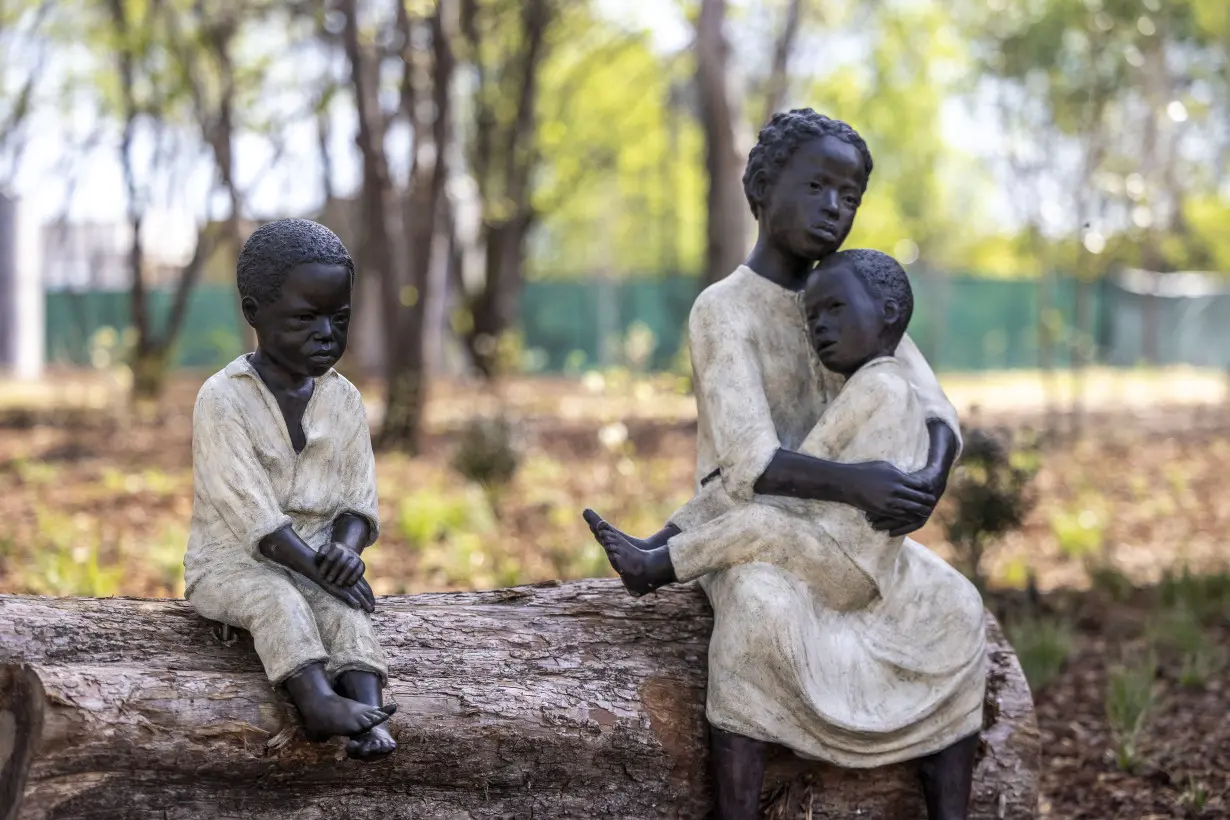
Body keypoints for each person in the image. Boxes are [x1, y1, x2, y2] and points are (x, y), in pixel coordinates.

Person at [582, 110, 976, 820]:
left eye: (849, 196)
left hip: (852, 537)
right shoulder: (724, 310)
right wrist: (863, 483)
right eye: (818, 186)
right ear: (763, 188)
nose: (835, 208)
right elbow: (750, 465)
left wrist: (932, 474)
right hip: (748, 521)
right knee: (760, 611)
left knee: (953, 604)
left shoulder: (851, 285)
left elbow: (931, 402)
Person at [185, 218, 396, 760]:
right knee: (278, 600)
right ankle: (318, 701)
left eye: (340, 318)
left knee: (346, 610)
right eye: (306, 318)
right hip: (234, 564)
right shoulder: (223, 399)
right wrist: (316, 568)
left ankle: (370, 714)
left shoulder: (343, 400)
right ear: (254, 313)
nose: (326, 333)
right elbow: (249, 511)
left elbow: (357, 496)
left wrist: (345, 552)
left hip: (315, 557)